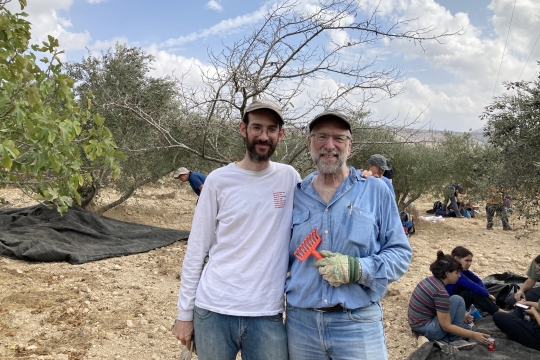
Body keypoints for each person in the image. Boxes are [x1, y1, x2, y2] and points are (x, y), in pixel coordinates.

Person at [172, 99, 301, 360]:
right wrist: (184, 314)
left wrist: (363, 181)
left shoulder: (290, 178)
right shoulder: (218, 180)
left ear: (281, 134)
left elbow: (324, 195)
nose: (263, 136)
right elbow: (197, 248)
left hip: (267, 314)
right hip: (213, 311)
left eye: (271, 129)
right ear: (243, 129)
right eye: (256, 128)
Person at [285, 111, 412, 360]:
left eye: (338, 138)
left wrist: (357, 268)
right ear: (309, 143)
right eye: (321, 136)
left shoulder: (376, 191)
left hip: (358, 322)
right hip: (301, 325)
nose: (329, 145)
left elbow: (400, 253)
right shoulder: (294, 195)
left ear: (349, 146)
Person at [408, 251, 491, 346]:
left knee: (457, 299)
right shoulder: (440, 292)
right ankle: (455, 340)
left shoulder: (430, 280)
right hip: (424, 328)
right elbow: (446, 326)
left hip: (417, 323)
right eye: (457, 273)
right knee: (466, 328)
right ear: (447, 274)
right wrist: (474, 335)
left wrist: (461, 317)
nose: (459, 276)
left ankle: (456, 334)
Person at [446, 246, 504, 315]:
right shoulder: (453, 272)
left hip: (454, 301)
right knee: (472, 292)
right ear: (456, 259)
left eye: (470, 261)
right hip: (446, 308)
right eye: (467, 261)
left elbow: (478, 280)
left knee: (476, 291)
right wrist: (488, 296)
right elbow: (473, 286)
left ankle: (496, 310)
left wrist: (487, 294)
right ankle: (498, 311)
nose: (469, 264)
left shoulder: (462, 270)